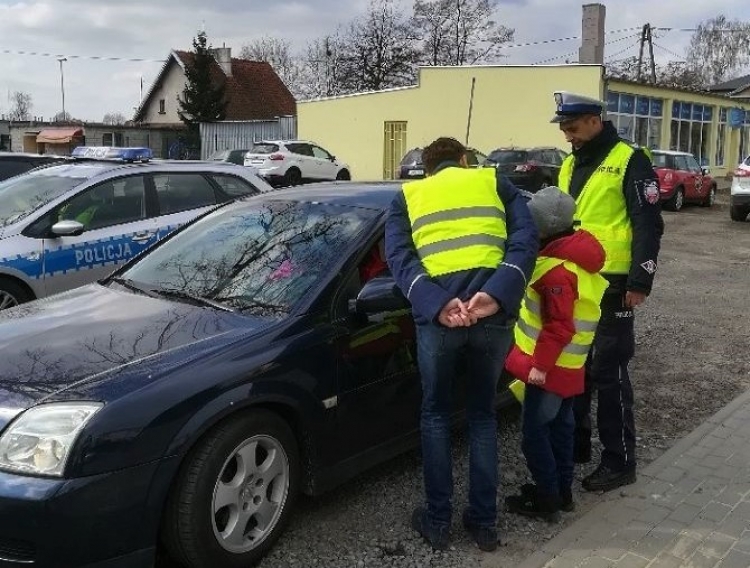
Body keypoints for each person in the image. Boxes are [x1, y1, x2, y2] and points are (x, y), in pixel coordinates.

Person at [385, 137, 538, 551]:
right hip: (492, 316)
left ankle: (437, 522)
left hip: (440, 321)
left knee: (435, 416)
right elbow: (525, 240)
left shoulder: (409, 195)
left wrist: (436, 304)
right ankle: (484, 524)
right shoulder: (494, 182)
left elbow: (399, 258)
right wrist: (497, 292)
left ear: (427, 168)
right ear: (466, 160)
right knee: (482, 415)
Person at [550, 91, 664, 492]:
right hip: (573, 280)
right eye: (564, 128)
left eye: (573, 127)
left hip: (614, 283)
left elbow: (648, 223)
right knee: (575, 365)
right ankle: (578, 446)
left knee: (609, 372)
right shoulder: (568, 164)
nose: (568, 135)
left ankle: (620, 461)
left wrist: (640, 281)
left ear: (595, 121)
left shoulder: (630, 160)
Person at [503, 186, 608, 522]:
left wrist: (540, 367)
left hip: (550, 371)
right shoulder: (575, 259)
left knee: (534, 438)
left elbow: (559, 326)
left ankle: (547, 499)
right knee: (561, 432)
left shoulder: (556, 271)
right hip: (570, 368)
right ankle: (562, 494)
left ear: (543, 228)